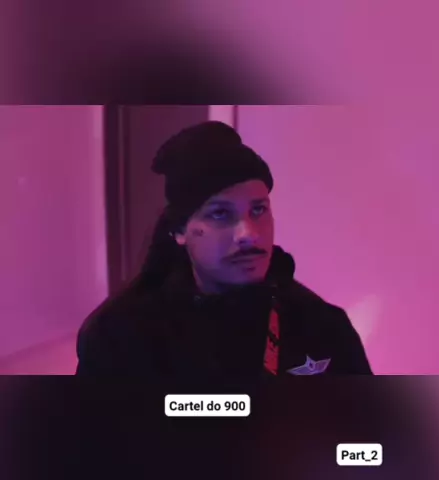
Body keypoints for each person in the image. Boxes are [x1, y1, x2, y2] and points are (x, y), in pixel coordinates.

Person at [75, 121, 373, 380]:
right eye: (220, 214)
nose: (249, 235)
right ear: (179, 231)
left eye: (258, 210)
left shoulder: (323, 326)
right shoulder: (121, 336)